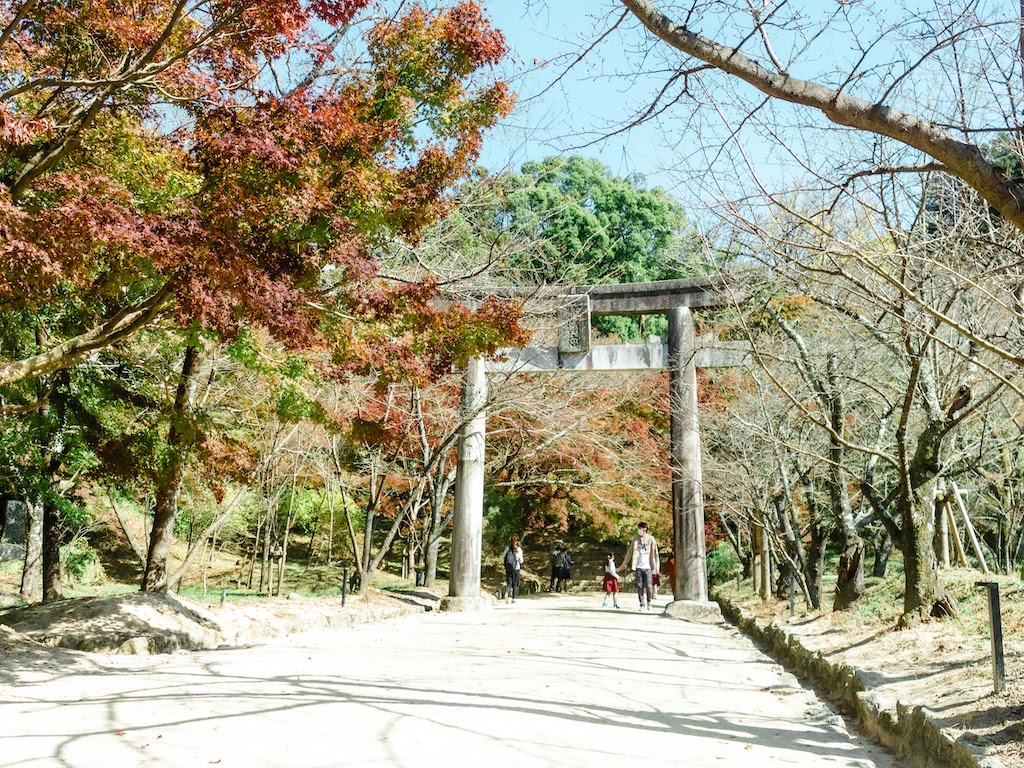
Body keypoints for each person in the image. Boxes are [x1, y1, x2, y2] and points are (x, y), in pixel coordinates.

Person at [620, 521, 660, 610]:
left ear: (645, 529)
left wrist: (657, 566)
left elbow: (655, 554)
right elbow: (630, 552)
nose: (639, 531)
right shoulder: (635, 539)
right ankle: (642, 604)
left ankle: (649, 601)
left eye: (640, 529)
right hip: (638, 566)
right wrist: (624, 564)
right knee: (640, 586)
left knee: (649, 586)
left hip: (648, 567)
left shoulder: (651, 539)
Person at [501, 534, 524, 603]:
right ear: (517, 541)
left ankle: (506, 593)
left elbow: (502, 557)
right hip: (516, 568)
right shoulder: (519, 549)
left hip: (508, 568)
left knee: (509, 583)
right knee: (515, 584)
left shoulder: (507, 548)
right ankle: (513, 598)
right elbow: (521, 561)